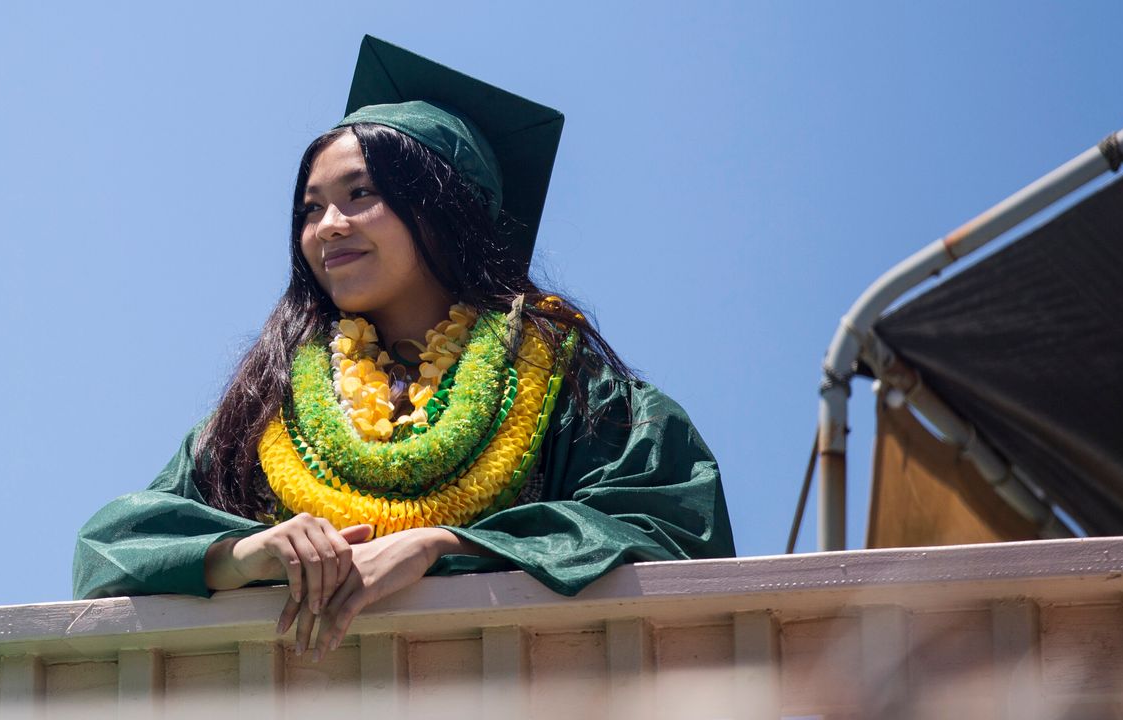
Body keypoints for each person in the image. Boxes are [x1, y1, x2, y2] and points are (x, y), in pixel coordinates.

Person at [73, 36, 734, 660]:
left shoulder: (565, 381)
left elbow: (671, 526)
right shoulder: (270, 405)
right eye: (310, 208)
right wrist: (246, 554)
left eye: (362, 195)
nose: (328, 227)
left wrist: (446, 545)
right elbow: (110, 549)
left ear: (444, 205)